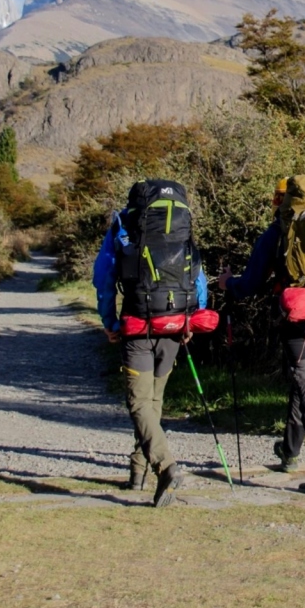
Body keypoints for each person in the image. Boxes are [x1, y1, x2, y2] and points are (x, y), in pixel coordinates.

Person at [219, 177, 305, 497]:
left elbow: (251, 283)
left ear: (280, 202)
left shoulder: (278, 233)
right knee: (304, 382)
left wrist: (227, 283)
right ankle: (290, 451)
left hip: (299, 321)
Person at [94, 179, 209, 508]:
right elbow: (197, 276)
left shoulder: (125, 225)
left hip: (138, 325)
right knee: (153, 400)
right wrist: (192, 319)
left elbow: (103, 276)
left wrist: (108, 321)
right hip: (175, 325)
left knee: (138, 403)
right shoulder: (182, 228)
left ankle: (165, 466)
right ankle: (137, 473)